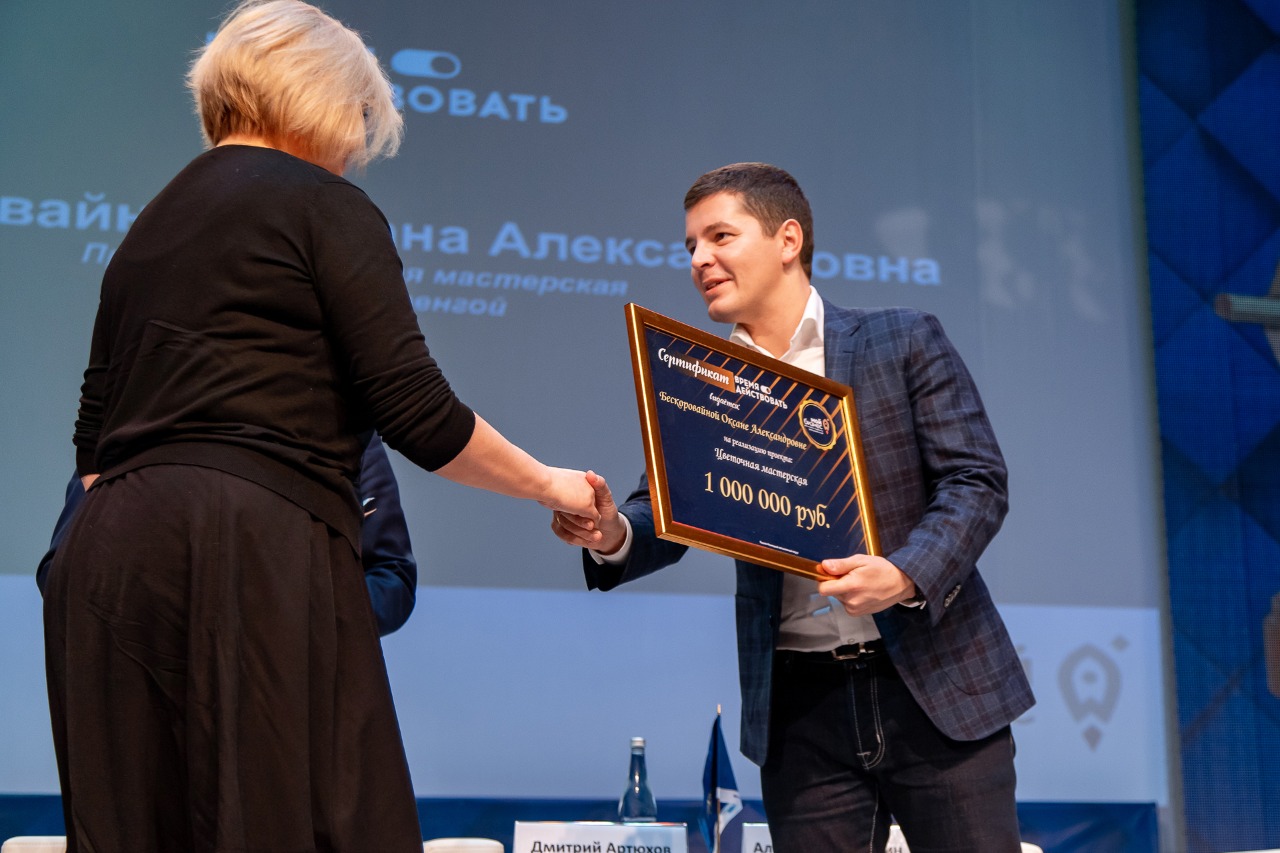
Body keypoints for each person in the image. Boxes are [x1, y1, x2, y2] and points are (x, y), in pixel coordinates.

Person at [44, 3, 598, 852]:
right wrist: (551, 483)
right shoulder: (324, 204)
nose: (354, 146)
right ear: (323, 99)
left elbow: (92, 443)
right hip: (247, 546)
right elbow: (417, 411)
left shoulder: (146, 229)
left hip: (107, 559)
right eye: (359, 119)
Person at [552, 163, 1033, 852]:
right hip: (801, 710)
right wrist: (610, 531)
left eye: (719, 236)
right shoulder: (703, 380)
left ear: (787, 239)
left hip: (936, 684)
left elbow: (976, 481)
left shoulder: (900, 339)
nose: (699, 259)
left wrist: (903, 574)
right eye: (690, 246)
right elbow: (665, 510)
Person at [38, 433, 419, 636]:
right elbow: (60, 574)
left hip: (302, 694)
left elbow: (391, 577)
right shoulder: (130, 430)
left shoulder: (344, 432)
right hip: (158, 692)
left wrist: (291, 616)